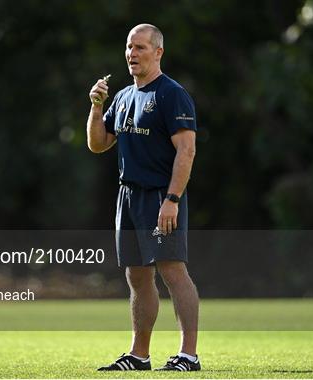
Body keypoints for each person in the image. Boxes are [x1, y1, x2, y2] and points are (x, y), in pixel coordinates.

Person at [86, 23, 200, 372]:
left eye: (140, 48)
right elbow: (97, 144)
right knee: (137, 276)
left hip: (160, 197)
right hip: (128, 197)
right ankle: (139, 355)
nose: (132, 54)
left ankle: (188, 356)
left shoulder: (171, 94)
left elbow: (187, 151)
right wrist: (95, 106)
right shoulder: (121, 97)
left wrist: (173, 199)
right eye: (129, 47)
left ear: (158, 52)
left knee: (172, 271)